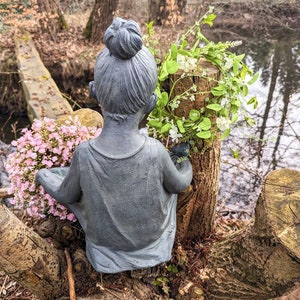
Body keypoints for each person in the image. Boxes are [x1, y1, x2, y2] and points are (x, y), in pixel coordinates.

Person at [35, 17, 193, 273]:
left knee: (66, 181)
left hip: (104, 247)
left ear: (94, 92)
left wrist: (42, 175)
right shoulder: (154, 150)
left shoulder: (85, 153)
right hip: (152, 242)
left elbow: (66, 195)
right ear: (151, 103)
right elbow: (179, 185)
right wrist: (185, 163)